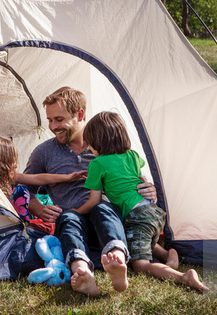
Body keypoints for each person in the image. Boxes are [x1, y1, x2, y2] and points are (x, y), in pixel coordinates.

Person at [23, 87, 157, 296]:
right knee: (69, 217)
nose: (53, 126)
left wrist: (149, 188)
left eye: (59, 119)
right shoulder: (44, 152)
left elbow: (131, 177)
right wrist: (37, 207)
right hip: (73, 220)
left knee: (103, 208)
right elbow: (24, 188)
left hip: (109, 220)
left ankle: (117, 260)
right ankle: (82, 272)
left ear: (80, 114)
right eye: (49, 120)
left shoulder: (106, 145)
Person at [76, 111, 206, 292]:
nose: (89, 149)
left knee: (141, 265)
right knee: (141, 242)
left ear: (97, 142)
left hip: (137, 216)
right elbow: (137, 177)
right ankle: (169, 254)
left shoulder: (97, 164)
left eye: (90, 144)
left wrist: (75, 211)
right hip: (153, 210)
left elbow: (94, 201)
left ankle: (184, 277)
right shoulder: (133, 156)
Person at [0, 135, 86, 235]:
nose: (16, 165)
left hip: (0, 222)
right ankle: (22, 226)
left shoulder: (10, 176)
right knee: (21, 191)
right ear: (1, 162)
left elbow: (38, 178)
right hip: (0, 222)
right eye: (12, 161)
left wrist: (67, 177)